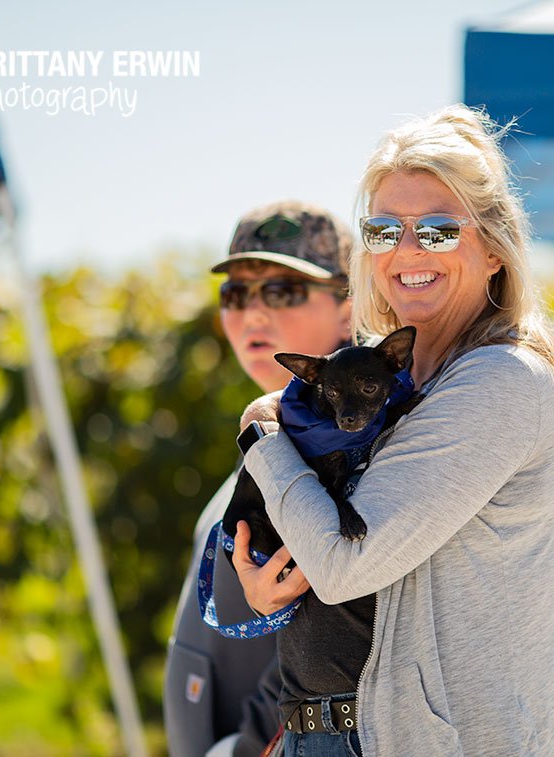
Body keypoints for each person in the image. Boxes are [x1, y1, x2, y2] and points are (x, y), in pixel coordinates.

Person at [232, 105, 554, 756]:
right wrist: (269, 579)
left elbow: (346, 562)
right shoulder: (391, 382)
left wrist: (262, 436)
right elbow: (321, 549)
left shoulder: (500, 382)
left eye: (435, 231)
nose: (404, 252)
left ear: (492, 249)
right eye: (381, 230)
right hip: (331, 731)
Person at [164, 200, 354, 757]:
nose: (252, 313)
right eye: (236, 293)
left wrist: (244, 747)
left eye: (283, 291)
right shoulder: (283, 426)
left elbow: (340, 623)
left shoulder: (344, 444)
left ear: (350, 307)